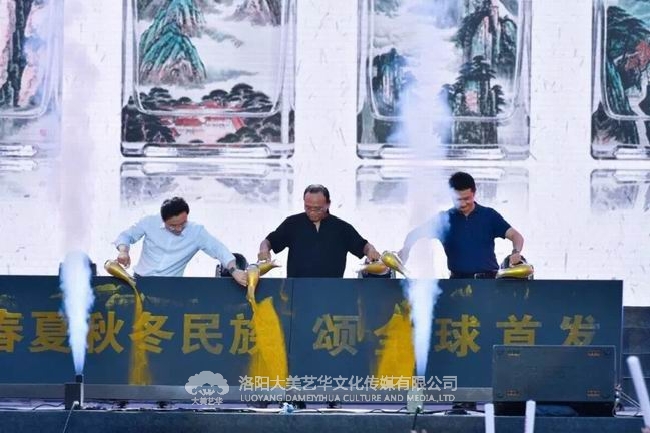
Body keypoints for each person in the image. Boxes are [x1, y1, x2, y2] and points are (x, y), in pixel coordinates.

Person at [399, 171, 525, 279]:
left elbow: (516, 236)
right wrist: (405, 251)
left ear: (474, 193)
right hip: (456, 284)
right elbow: (414, 235)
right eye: (458, 199)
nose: (463, 204)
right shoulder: (444, 219)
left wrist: (516, 252)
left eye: (467, 198)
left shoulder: (489, 215)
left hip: (489, 282)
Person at [114, 197, 247, 286]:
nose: (178, 229)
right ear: (163, 219)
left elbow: (219, 250)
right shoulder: (150, 222)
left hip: (171, 287)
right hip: (140, 281)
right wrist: (123, 252)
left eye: (183, 223)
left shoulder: (196, 232)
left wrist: (234, 270)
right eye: (173, 225)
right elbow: (126, 236)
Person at [258, 184, 382, 278]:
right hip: (297, 290)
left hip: (332, 290)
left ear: (328, 204)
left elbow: (364, 246)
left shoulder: (342, 228)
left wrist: (371, 251)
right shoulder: (292, 224)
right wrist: (264, 250)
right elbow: (269, 241)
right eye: (308, 207)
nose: (312, 212)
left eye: (317, 209)